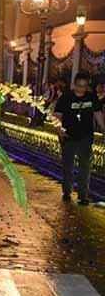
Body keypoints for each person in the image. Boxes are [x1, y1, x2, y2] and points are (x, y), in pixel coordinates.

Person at [53, 73, 105, 206]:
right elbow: (57, 115)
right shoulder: (66, 98)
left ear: (87, 86)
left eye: (84, 86)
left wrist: (103, 128)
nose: (81, 89)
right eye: (79, 86)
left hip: (86, 137)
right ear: (74, 84)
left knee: (85, 167)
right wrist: (60, 131)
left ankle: (83, 195)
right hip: (69, 137)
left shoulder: (91, 97)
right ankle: (67, 191)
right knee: (68, 166)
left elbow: (98, 114)